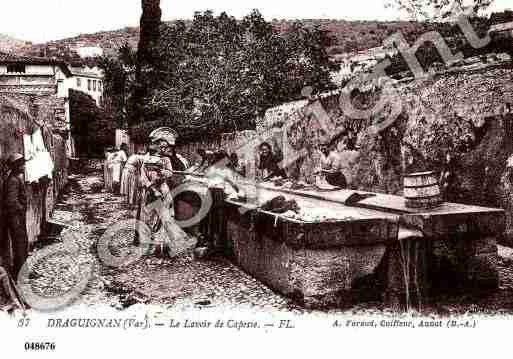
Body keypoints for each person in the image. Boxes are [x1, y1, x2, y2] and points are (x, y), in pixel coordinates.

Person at [3, 153, 29, 278]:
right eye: (22, 164)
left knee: (22, 243)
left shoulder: (16, 178)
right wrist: (21, 208)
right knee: (19, 244)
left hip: (18, 217)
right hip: (15, 218)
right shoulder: (13, 180)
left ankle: (23, 271)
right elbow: (11, 201)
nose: (24, 166)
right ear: (17, 166)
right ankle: (20, 274)